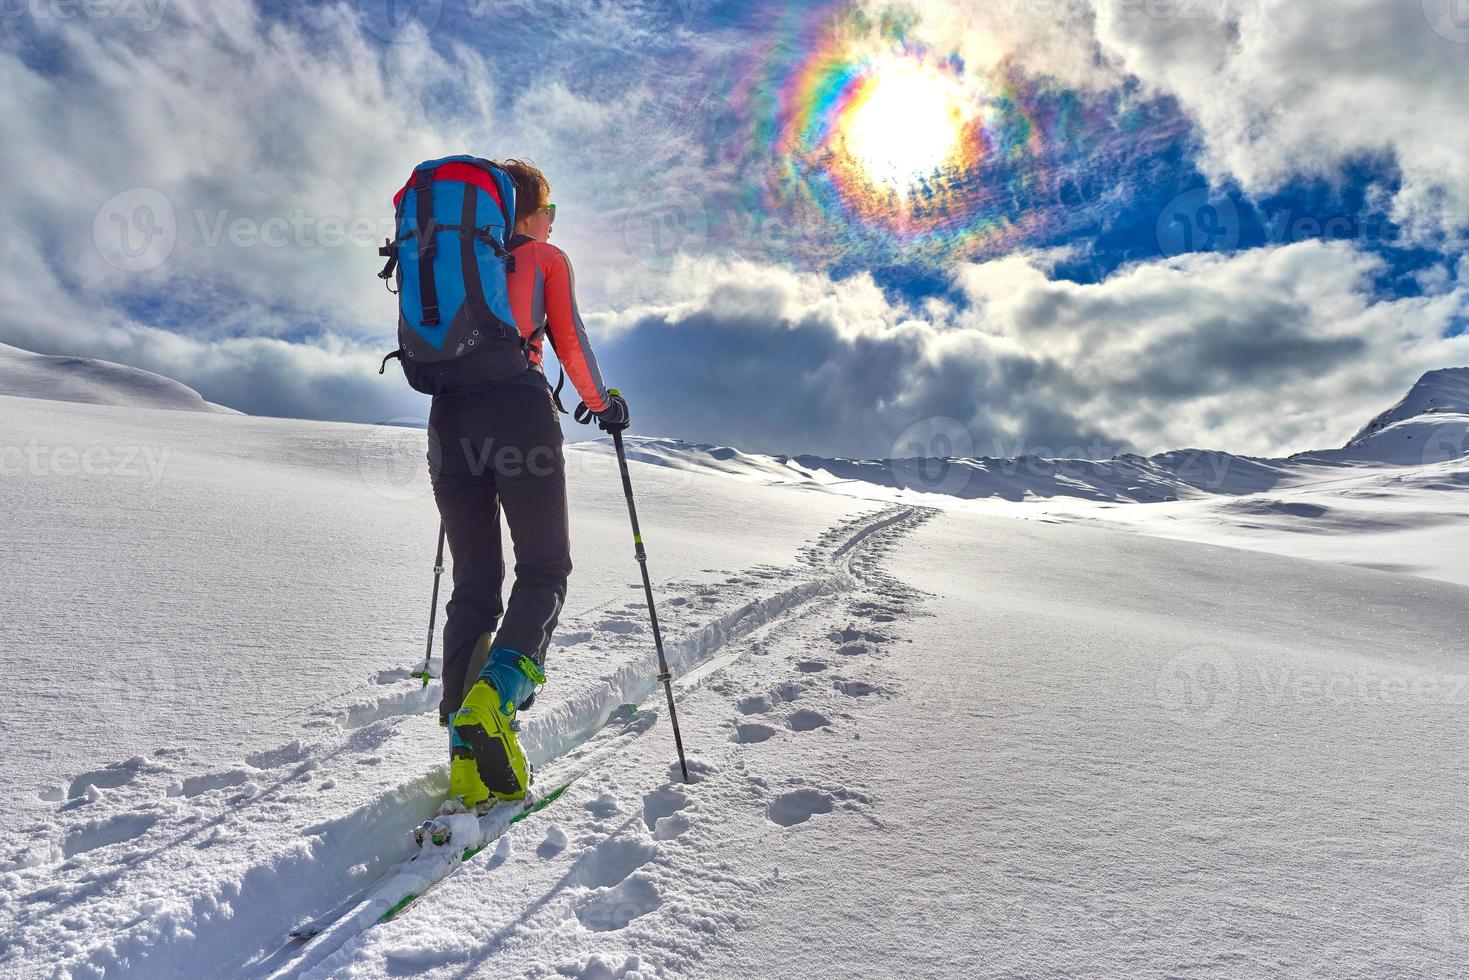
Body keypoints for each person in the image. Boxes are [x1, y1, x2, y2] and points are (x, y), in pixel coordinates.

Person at [429, 159, 629, 808]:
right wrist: (603, 406)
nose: (551, 222)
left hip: (447, 418)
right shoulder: (544, 260)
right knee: (544, 568)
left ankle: (464, 759)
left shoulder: (448, 259)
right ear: (526, 212)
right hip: (517, 409)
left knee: (474, 586)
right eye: (549, 210)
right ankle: (495, 700)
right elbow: (568, 340)